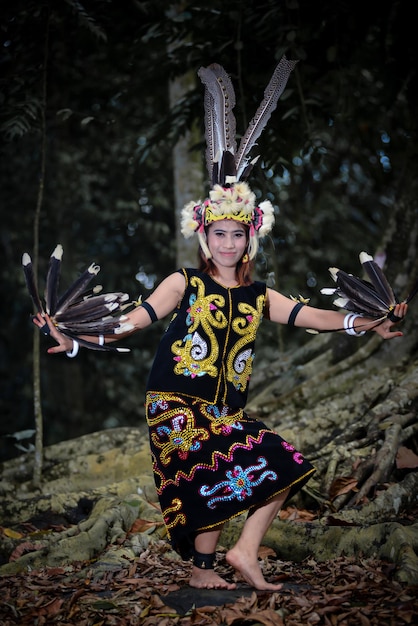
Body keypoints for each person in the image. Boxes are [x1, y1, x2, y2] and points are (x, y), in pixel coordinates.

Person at [33, 177, 408, 592]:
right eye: (219, 234)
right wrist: (75, 340)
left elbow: (316, 317)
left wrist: (370, 322)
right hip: (174, 403)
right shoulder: (185, 283)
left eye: (236, 234)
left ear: (250, 238)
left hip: (224, 409)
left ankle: (212, 564)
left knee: (256, 470)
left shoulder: (260, 296)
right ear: (204, 236)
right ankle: (233, 557)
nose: (228, 243)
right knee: (232, 469)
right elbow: (132, 321)